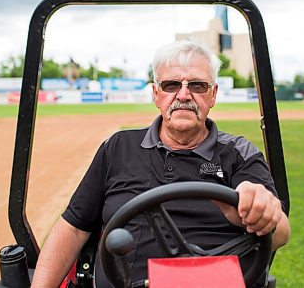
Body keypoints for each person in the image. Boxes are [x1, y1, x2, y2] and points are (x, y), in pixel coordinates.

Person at [32, 40, 290, 288]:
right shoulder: (118, 147)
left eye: (198, 86)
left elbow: (280, 234)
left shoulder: (238, 153)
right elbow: (74, 227)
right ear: (157, 94)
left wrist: (256, 212)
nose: (184, 95)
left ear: (213, 95)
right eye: (171, 85)